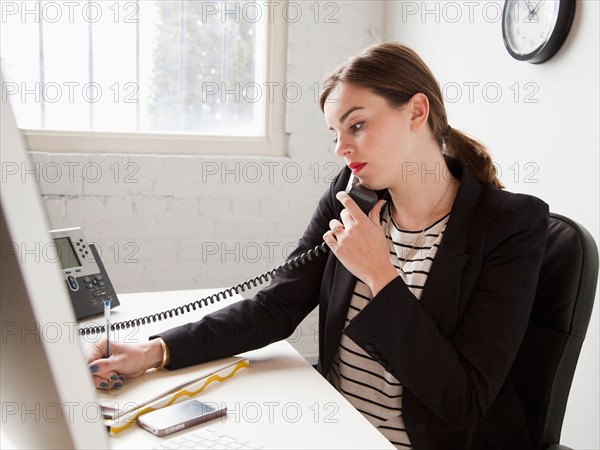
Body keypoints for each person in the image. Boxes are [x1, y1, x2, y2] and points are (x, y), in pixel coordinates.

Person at [87, 42, 548, 450]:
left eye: (357, 125)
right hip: (338, 428)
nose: (341, 148)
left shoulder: (511, 225)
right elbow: (275, 306)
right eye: (335, 134)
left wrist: (380, 276)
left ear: (416, 112)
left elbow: (462, 401)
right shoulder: (351, 198)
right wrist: (152, 352)